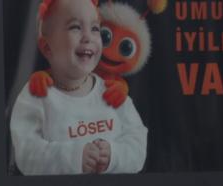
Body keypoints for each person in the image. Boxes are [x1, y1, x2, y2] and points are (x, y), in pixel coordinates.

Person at [9, 0, 148, 175]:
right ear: (47, 48)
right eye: (75, 27)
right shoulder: (36, 96)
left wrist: (113, 156)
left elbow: (138, 144)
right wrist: (74, 157)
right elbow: (27, 154)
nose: (88, 37)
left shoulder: (111, 92)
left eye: (95, 28)